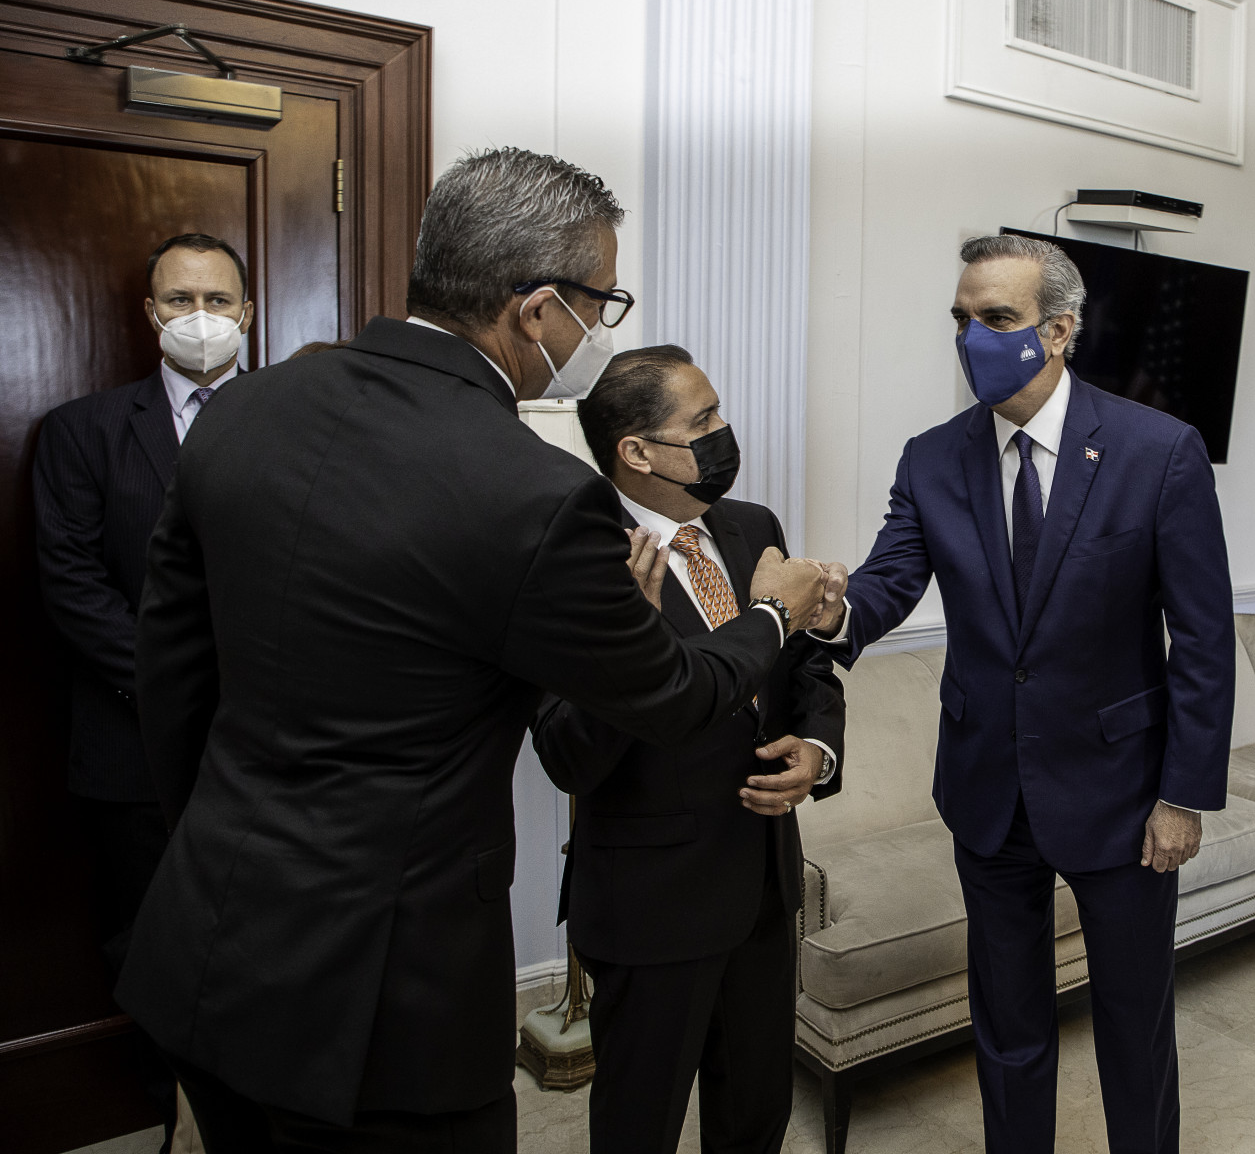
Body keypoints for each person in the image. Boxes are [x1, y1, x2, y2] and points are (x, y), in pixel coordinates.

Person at [118, 148, 828, 1152]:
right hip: (391, 994)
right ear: (537, 311)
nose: (598, 330)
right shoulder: (535, 492)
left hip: (206, 933)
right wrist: (773, 615)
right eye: (600, 302)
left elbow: (173, 677)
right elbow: (672, 695)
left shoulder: (244, 409)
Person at [808, 234, 1235, 1154]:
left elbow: (1203, 640)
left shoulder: (1159, 450)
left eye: (997, 318)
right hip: (987, 790)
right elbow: (888, 583)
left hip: (1124, 796)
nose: (974, 339)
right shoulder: (932, 458)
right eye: (962, 319)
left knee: (1134, 1025)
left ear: (1059, 331)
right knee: (1007, 1028)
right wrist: (828, 608)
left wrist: (1183, 795)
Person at [531, 346, 846, 1152]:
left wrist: (818, 747)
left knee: (755, 1116)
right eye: (702, 420)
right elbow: (568, 757)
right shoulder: (574, 555)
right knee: (640, 1126)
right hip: (653, 906)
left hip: (764, 886)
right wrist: (627, 650)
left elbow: (804, 665)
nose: (724, 431)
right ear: (636, 452)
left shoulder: (754, 528)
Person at [32, 230, 254, 1151]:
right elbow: (72, 586)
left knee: (262, 942)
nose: (200, 316)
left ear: (246, 312)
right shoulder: (82, 431)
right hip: (132, 747)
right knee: (151, 945)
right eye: (179, 300)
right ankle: (178, 1121)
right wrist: (181, 691)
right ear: (151, 313)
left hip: (271, 745)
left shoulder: (297, 420)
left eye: (217, 299)